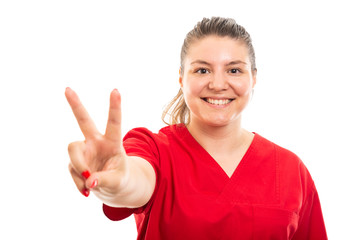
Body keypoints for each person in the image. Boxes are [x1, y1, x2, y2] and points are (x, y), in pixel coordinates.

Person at [65, 17, 327, 239]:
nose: (217, 84)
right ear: (181, 78)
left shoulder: (293, 171)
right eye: (202, 71)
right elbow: (135, 180)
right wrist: (117, 181)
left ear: (254, 78)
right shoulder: (153, 149)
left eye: (234, 70)